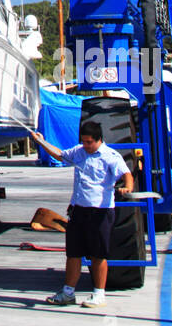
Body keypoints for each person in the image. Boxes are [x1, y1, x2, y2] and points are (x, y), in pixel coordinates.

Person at [27, 119, 133, 310]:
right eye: (83, 141)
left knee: (98, 255)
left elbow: (126, 175)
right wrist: (41, 141)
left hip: (100, 212)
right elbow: (59, 154)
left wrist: (127, 187)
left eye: (89, 142)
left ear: (98, 139)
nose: (86, 145)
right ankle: (67, 293)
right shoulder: (78, 152)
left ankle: (99, 294)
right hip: (78, 211)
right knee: (73, 253)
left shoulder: (110, 156)